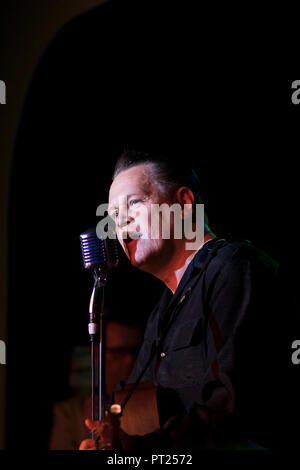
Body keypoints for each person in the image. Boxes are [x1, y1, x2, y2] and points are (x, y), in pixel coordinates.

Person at [79, 150, 289, 451]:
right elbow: (142, 407)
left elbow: (230, 410)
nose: (120, 222)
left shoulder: (235, 268)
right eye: (113, 215)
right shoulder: (163, 310)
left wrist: (139, 449)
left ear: (184, 203)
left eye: (134, 203)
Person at [48, 319, 143, 450]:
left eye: (135, 351)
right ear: (97, 353)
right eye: (118, 352)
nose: (129, 360)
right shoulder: (69, 414)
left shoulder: (154, 403)